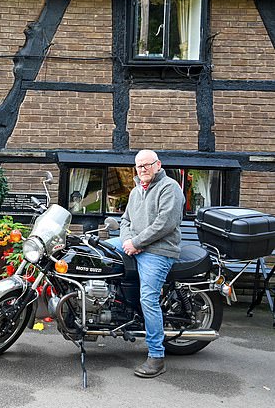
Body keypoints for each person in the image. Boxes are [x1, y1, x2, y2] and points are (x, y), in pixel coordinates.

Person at [108, 149, 184, 378]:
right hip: (135, 243)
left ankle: (156, 356)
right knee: (96, 254)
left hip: (159, 249)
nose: (142, 169)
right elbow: (125, 221)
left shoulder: (169, 188)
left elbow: (165, 223)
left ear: (158, 165)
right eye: (139, 166)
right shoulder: (135, 191)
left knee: (148, 298)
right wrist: (127, 242)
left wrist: (138, 243)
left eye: (147, 165)